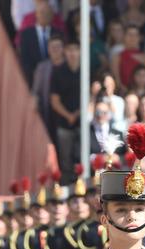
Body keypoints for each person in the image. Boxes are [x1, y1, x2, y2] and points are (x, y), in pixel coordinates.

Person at [50, 41, 82, 180]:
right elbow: (54, 101)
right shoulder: (58, 72)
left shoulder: (86, 69)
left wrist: (78, 113)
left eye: (75, 50)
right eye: (69, 50)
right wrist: (69, 115)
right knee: (65, 159)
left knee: (82, 156)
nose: (72, 54)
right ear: (65, 52)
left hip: (82, 123)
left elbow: (91, 96)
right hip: (64, 123)